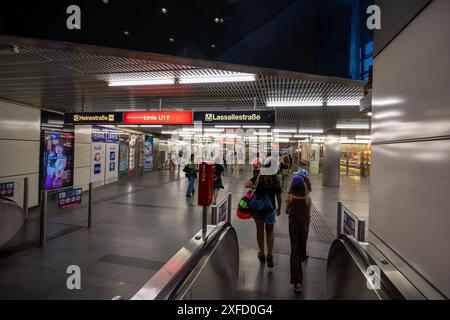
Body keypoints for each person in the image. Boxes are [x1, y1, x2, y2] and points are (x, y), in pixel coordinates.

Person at [245, 158, 282, 268]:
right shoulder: (276, 180)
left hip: (258, 209)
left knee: (260, 231)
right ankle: (270, 254)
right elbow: (279, 197)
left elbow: (246, 184)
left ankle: (261, 252)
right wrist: (279, 208)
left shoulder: (259, 177)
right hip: (270, 209)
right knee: (270, 232)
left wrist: (254, 185)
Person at [286, 175, 311, 293]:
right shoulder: (307, 199)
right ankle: (298, 278)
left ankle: (297, 282)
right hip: (304, 227)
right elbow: (308, 215)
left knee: (294, 253)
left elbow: (287, 211)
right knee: (299, 252)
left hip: (293, 227)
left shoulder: (290, 197)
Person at [293, 167, 312, 260]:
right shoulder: (308, 194)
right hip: (304, 219)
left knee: (296, 235)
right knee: (304, 235)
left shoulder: (292, 194)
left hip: (294, 219)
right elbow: (308, 211)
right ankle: (303, 252)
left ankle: (297, 251)